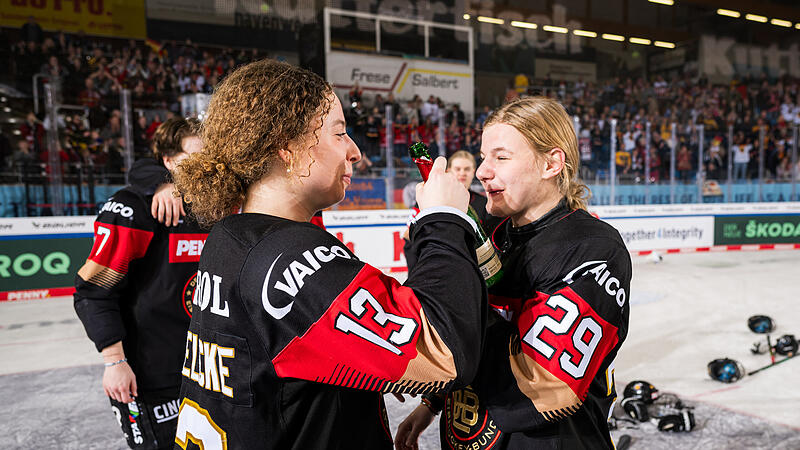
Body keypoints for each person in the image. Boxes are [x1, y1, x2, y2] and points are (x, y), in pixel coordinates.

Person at [171, 59, 487, 449]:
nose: (354, 151)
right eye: (339, 134)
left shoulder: (230, 236)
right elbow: (447, 353)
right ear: (286, 147)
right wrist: (443, 219)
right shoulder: (286, 255)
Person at [396, 97, 631, 450]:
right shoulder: (489, 229)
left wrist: (451, 333)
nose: (482, 171)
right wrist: (435, 402)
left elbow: (544, 384)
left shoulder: (594, 247)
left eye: (501, 157)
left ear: (551, 164)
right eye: (484, 156)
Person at [74, 117, 207, 450]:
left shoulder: (215, 206)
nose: (207, 165)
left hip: (208, 371)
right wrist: (114, 361)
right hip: (150, 376)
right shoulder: (133, 207)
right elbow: (94, 291)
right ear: (168, 160)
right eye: (196, 156)